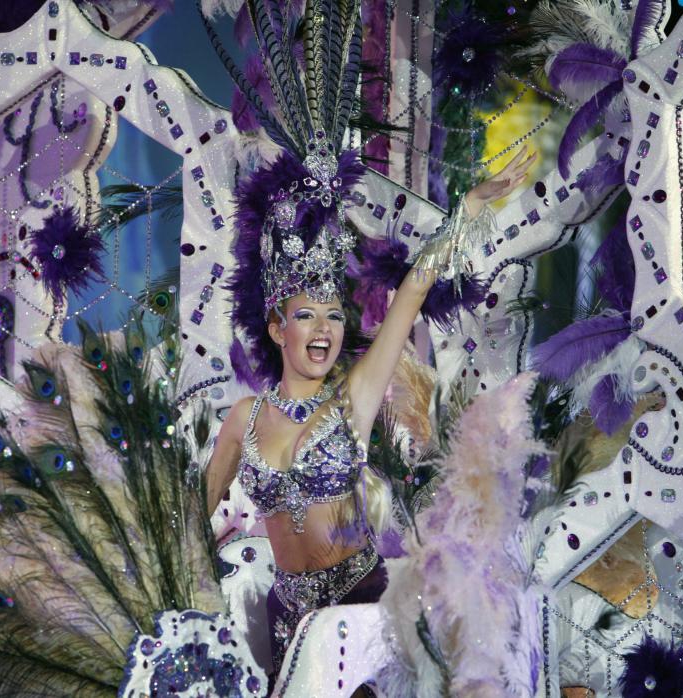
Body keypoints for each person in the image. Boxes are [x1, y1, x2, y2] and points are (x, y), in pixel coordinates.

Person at [206, 144, 537, 680]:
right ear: (276, 329)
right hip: (286, 619)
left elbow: (410, 294)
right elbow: (195, 521)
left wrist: (471, 206)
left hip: (362, 613)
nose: (324, 330)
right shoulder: (243, 420)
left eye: (334, 317)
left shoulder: (353, 400)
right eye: (306, 316)